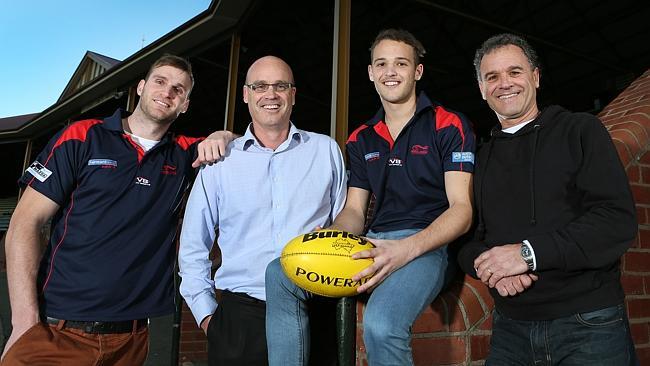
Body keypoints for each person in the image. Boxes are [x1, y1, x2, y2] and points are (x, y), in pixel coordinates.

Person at [1, 54, 235, 365]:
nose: (167, 92)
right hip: (56, 329)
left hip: (131, 340)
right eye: (160, 82)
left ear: (185, 106)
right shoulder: (82, 135)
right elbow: (24, 224)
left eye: (178, 90)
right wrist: (23, 321)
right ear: (141, 87)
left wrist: (224, 135)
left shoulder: (184, 154)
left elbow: (243, 147)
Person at [265, 28, 475, 365]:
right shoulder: (361, 138)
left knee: (381, 323)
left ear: (417, 72)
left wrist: (406, 249)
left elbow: (462, 210)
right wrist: (328, 236)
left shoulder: (448, 124)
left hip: (427, 248)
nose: (390, 72)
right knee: (279, 273)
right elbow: (354, 211)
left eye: (401, 63)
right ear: (371, 73)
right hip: (373, 244)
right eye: (382, 64)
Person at [457, 33, 639, 365]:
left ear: (535, 77)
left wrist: (527, 254)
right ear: (482, 89)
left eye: (515, 72)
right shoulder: (479, 158)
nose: (504, 83)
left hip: (589, 323)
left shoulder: (580, 130)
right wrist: (490, 267)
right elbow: (466, 239)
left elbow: (615, 220)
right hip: (511, 329)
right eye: (492, 77)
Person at [178, 55, 347, 366]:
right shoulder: (219, 162)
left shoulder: (325, 151)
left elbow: (345, 228)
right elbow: (192, 247)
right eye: (260, 86)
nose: (271, 94)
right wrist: (208, 318)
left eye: (280, 86)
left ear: (293, 95)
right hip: (240, 322)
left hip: (314, 311)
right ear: (246, 94)